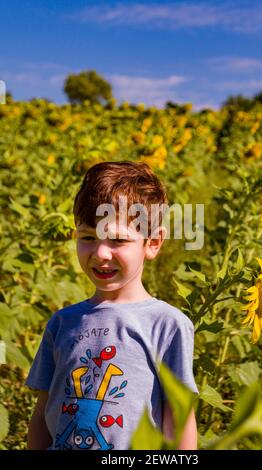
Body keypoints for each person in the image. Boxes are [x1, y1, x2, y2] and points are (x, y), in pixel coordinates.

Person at [26, 161, 199, 450]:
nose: (100, 253)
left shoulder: (166, 325)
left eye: (117, 239)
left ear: (153, 243)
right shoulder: (62, 322)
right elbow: (42, 414)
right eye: (87, 237)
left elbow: (178, 419)